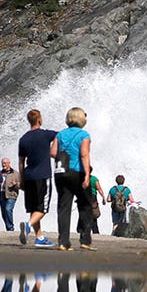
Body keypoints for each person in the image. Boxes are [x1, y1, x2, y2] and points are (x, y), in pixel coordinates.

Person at [50, 106, 95, 251]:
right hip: (77, 172)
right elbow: (84, 155)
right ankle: (85, 240)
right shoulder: (84, 135)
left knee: (64, 207)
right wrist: (87, 175)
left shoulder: (60, 134)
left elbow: (53, 152)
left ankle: (63, 242)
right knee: (86, 205)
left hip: (61, 173)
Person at [17, 109, 57, 248]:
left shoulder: (23, 139)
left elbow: (21, 162)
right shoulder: (46, 134)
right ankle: (28, 226)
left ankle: (39, 237)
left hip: (28, 176)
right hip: (43, 175)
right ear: (39, 119)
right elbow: (62, 135)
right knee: (42, 208)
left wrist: (21, 179)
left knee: (34, 208)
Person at [0, 157, 19, 232]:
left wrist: (16, 184)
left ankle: (10, 227)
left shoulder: (15, 173)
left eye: (5, 163)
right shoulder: (0, 173)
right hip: (1, 194)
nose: (3, 164)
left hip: (11, 194)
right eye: (2, 163)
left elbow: (22, 185)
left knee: (8, 209)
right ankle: (8, 227)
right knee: (3, 212)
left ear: (9, 163)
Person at [87, 168, 105, 235]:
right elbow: (99, 188)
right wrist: (103, 197)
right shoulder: (94, 179)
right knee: (93, 213)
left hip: (84, 196)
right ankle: (95, 231)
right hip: (93, 196)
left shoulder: (81, 177)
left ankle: (84, 230)